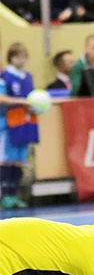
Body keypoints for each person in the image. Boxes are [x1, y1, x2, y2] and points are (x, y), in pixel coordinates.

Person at [1, 42, 38, 210]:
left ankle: (15, 194)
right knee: (6, 160)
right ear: (11, 58)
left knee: (18, 161)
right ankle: (6, 195)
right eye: (18, 57)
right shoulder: (6, 76)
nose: (21, 60)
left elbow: (34, 97)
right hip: (8, 124)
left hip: (25, 123)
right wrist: (22, 102)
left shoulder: (28, 76)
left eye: (24, 56)